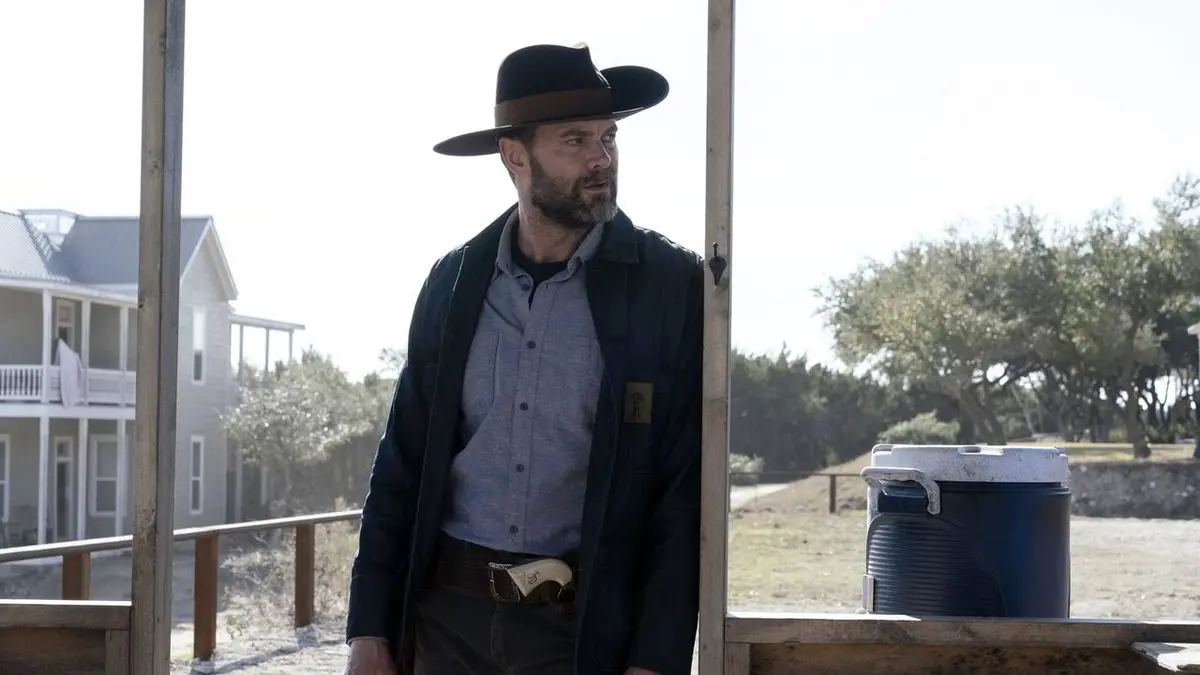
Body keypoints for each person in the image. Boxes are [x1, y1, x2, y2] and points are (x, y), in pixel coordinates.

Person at [344, 43, 703, 675]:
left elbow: (681, 490)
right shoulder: (453, 281)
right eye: (575, 141)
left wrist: (655, 658)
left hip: (580, 633)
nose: (601, 159)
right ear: (515, 156)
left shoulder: (669, 285)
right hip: (445, 625)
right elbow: (400, 465)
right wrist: (369, 629)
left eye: (608, 137)